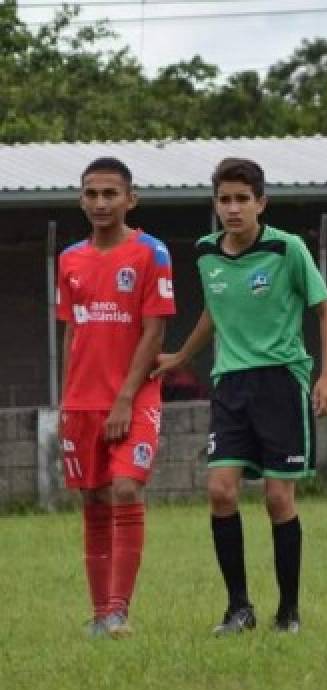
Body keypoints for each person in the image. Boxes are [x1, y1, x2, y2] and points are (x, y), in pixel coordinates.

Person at [154, 157, 327, 634]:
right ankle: (239, 608)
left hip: (280, 381)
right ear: (215, 205)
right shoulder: (205, 253)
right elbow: (213, 313)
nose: (233, 209)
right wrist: (180, 358)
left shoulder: (288, 249)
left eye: (242, 199)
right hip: (230, 385)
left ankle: (289, 612)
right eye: (224, 199)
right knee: (219, 491)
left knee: (279, 498)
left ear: (261, 202)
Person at [57, 157, 176, 638]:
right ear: (81, 198)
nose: (101, 202)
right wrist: (67, 397)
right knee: (93, 499)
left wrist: (126, 397)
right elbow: (72, 332)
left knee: (125, 487)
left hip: (135, 395)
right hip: (81, 401)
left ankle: (118, 611)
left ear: (131, 198)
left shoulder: (152, 252)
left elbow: (154, 329)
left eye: (110, 193)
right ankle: (100, 615)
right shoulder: (68, 259)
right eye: (91, 193)